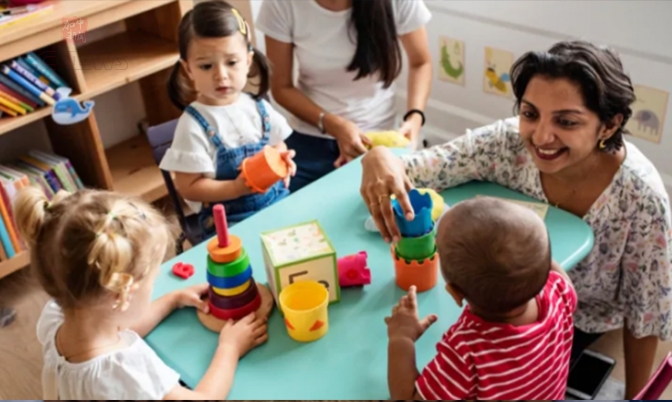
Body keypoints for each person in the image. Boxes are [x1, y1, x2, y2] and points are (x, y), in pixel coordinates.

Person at [361, 40, 672, 399]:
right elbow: (421, 168)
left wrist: (636, 397)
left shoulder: (641, 198)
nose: (540, 137)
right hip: (509, 301)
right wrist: (379, 157)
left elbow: (645, 314)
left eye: (566, 121)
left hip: (577, 321)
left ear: (609, 124)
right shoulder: (506, 143)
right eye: (530, 113)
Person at [14, 187, 268, 399]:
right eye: (153, 280)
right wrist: (230, 348)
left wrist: (172, 299)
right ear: (122, 295)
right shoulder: (127, 371)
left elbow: (120, 329)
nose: (155, 285)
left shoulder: (57, 317)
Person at [386, 197, 577, 400]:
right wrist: (529, 252)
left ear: (455, 293)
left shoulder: (466, 350)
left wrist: (402, 338)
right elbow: (547, 267)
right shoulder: (560, 291)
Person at [256, 0, 433, 192]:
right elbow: (281, 87)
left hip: (378, 140)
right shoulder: (281, 4)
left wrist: (415, 118)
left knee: (391, 212)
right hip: (310, 139)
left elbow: (421, 62)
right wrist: (334, 124)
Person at [160, 0, 296, 234]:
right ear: (188, 69)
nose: (221, 75)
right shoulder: (192, 125)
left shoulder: (258, 108)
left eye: (231, 62)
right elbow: (189, 187)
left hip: (277, 203)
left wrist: (281, 160)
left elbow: (277, 143)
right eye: (206, 66)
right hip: (229, 222)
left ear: (248, 61)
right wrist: (236, 188)